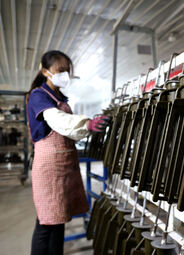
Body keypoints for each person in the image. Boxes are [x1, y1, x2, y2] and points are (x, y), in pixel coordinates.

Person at [26, 50, 110, 255]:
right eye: (60, 70)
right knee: (46, 224)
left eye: (67, 70)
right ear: (46, 72)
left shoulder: (59, 97)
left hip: (63, 167)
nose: (65, 74)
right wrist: (87, 124)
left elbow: (67, 130)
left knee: (59, 221)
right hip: (49, 169)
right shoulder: (39, 95)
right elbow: (58, 121)